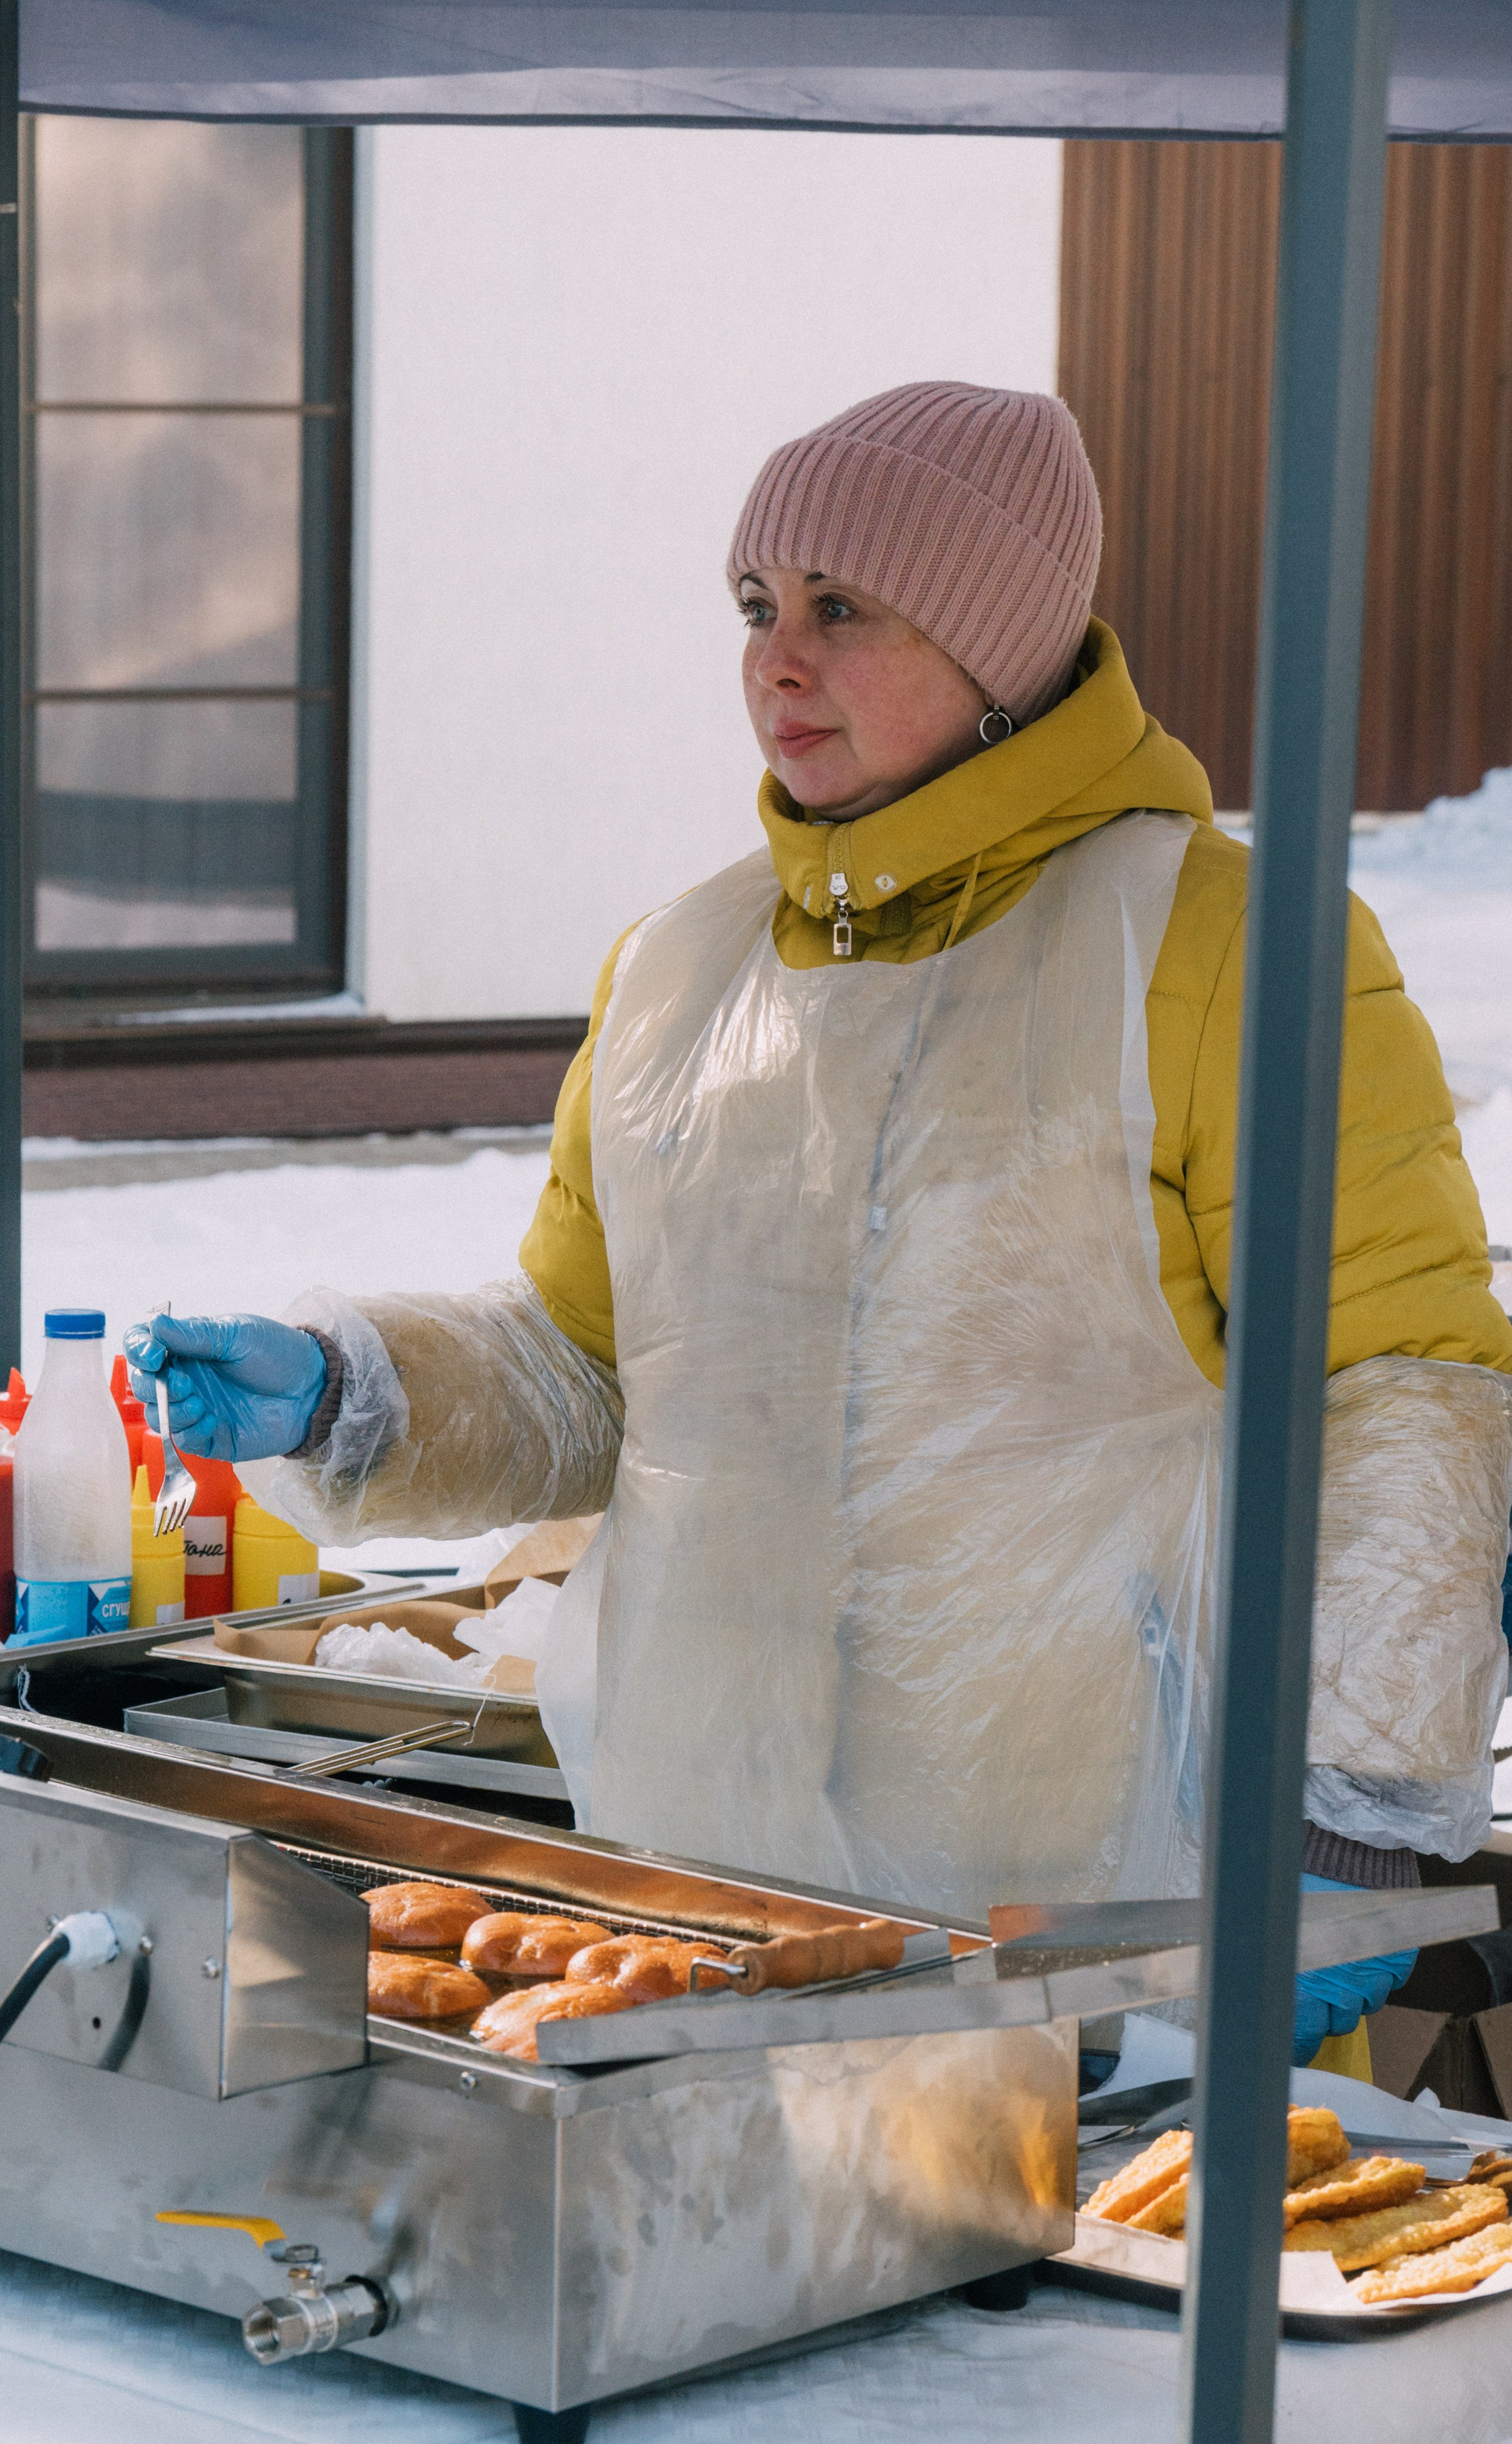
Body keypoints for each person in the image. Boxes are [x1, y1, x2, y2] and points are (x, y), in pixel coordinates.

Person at [126, 382, 1512, 2068]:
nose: (776, 662)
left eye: (840, 608)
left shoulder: (1227, 950)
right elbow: (593, 1374)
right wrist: (359, 1393)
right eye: (754, 606)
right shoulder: (676, 973)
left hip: (1103, 1935)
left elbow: (1403, 1394)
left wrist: (1345, 1836)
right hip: (697, 1918)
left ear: (997, 644)